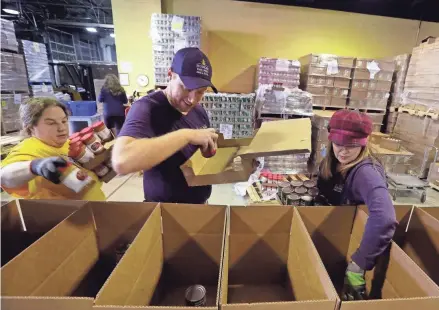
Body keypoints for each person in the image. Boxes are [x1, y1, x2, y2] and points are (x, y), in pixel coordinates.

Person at [112, 47, 218, 204]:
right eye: (187, 88)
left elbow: (201, 156)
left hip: (199, 206)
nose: (192, 99)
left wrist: (213, 154)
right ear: (170, 75)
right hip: (164, 213)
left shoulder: (199, 111)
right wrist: (186, 135)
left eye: (200, 92)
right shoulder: (147, 108)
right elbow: (122, 161)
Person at [316, 110, 397, 301]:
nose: (343, 151)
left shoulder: (366, 173)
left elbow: (385, 218)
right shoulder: (331, 160)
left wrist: (360, 263)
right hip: (333, 235)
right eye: (338, 144)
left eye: (351, 146)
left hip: (352, 242)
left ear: (363, 143)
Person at [0, 98, 106, 201]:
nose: (61, 128)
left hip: (94, 209)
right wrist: (35, 166)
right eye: (51, 123)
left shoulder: (68, 143)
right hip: (65, 216)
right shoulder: (29, 149)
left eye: (64, 121)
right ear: (30, 127)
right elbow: (4, 175)